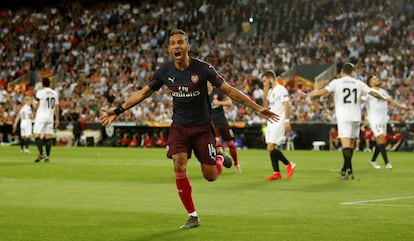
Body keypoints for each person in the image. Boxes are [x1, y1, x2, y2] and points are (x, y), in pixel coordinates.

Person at [99, 29, 278, 229]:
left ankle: (219, 157)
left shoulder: (203, 69)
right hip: (179, 127)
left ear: (187, 46)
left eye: (180, 42)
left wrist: (258, 108)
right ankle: (192, 216)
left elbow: (229, 90)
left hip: (202, 128)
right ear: (169, 48)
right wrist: (117, 110)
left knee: (210, 176)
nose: (176, 46)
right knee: (179, 164)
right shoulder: (165, 71)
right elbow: (143, 93)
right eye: (172, 43)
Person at [299, 63, 389, 180]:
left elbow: (323, 91)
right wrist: (385, 98)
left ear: (342, 72)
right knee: (351, 145)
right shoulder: (358, 83)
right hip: (356, 117)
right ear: (352, 72)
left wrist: (308, 94)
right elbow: (373, 92)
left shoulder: (337, 82)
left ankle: (349, 170)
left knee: (346, 145)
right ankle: (345, 168)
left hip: (344, 117)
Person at [363, 75, 410, 169]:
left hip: (383, 119)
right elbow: (361, 100)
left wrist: (402, 108)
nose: (377, 79)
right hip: (374, 119)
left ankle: (373, 161)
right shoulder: (368, 92)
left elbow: (391, 101)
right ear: (370, 82)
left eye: (377, 78)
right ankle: (387, 163)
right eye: (374, 79)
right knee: (380, 138)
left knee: (382, 141)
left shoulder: (383, 91)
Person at [261, 70, 296, 180]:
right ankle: (276, 172)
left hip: (279, 121)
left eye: (264, 81)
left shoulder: (281, 89)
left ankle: (289, 164)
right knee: (271, 147)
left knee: (270, 147)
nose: (264, 83)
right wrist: (265, 93)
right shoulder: (271, 91)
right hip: (271, 122)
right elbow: (265, 106)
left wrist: (287, 120)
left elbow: (286, 104)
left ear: (271, 78)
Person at [208, 82, 241, 173]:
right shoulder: (202, 95)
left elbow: (229, 103)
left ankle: (236, 164)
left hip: (222, 121)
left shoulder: (218, 92)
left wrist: (219, 102)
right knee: (217, 143)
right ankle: (219, 164)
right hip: (212, 123)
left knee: (231, 144)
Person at [33, 77, 60, 163]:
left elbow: (36, 106)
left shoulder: (40, 93)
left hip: (41, 116)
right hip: (50, 117)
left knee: (37, 135)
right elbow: (57, 107)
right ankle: (47, 157)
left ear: (42, 84)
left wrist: (34, 104)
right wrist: (57, 119)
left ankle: (42, 153)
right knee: (48, 137)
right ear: (50, 84)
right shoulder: (54, 93)